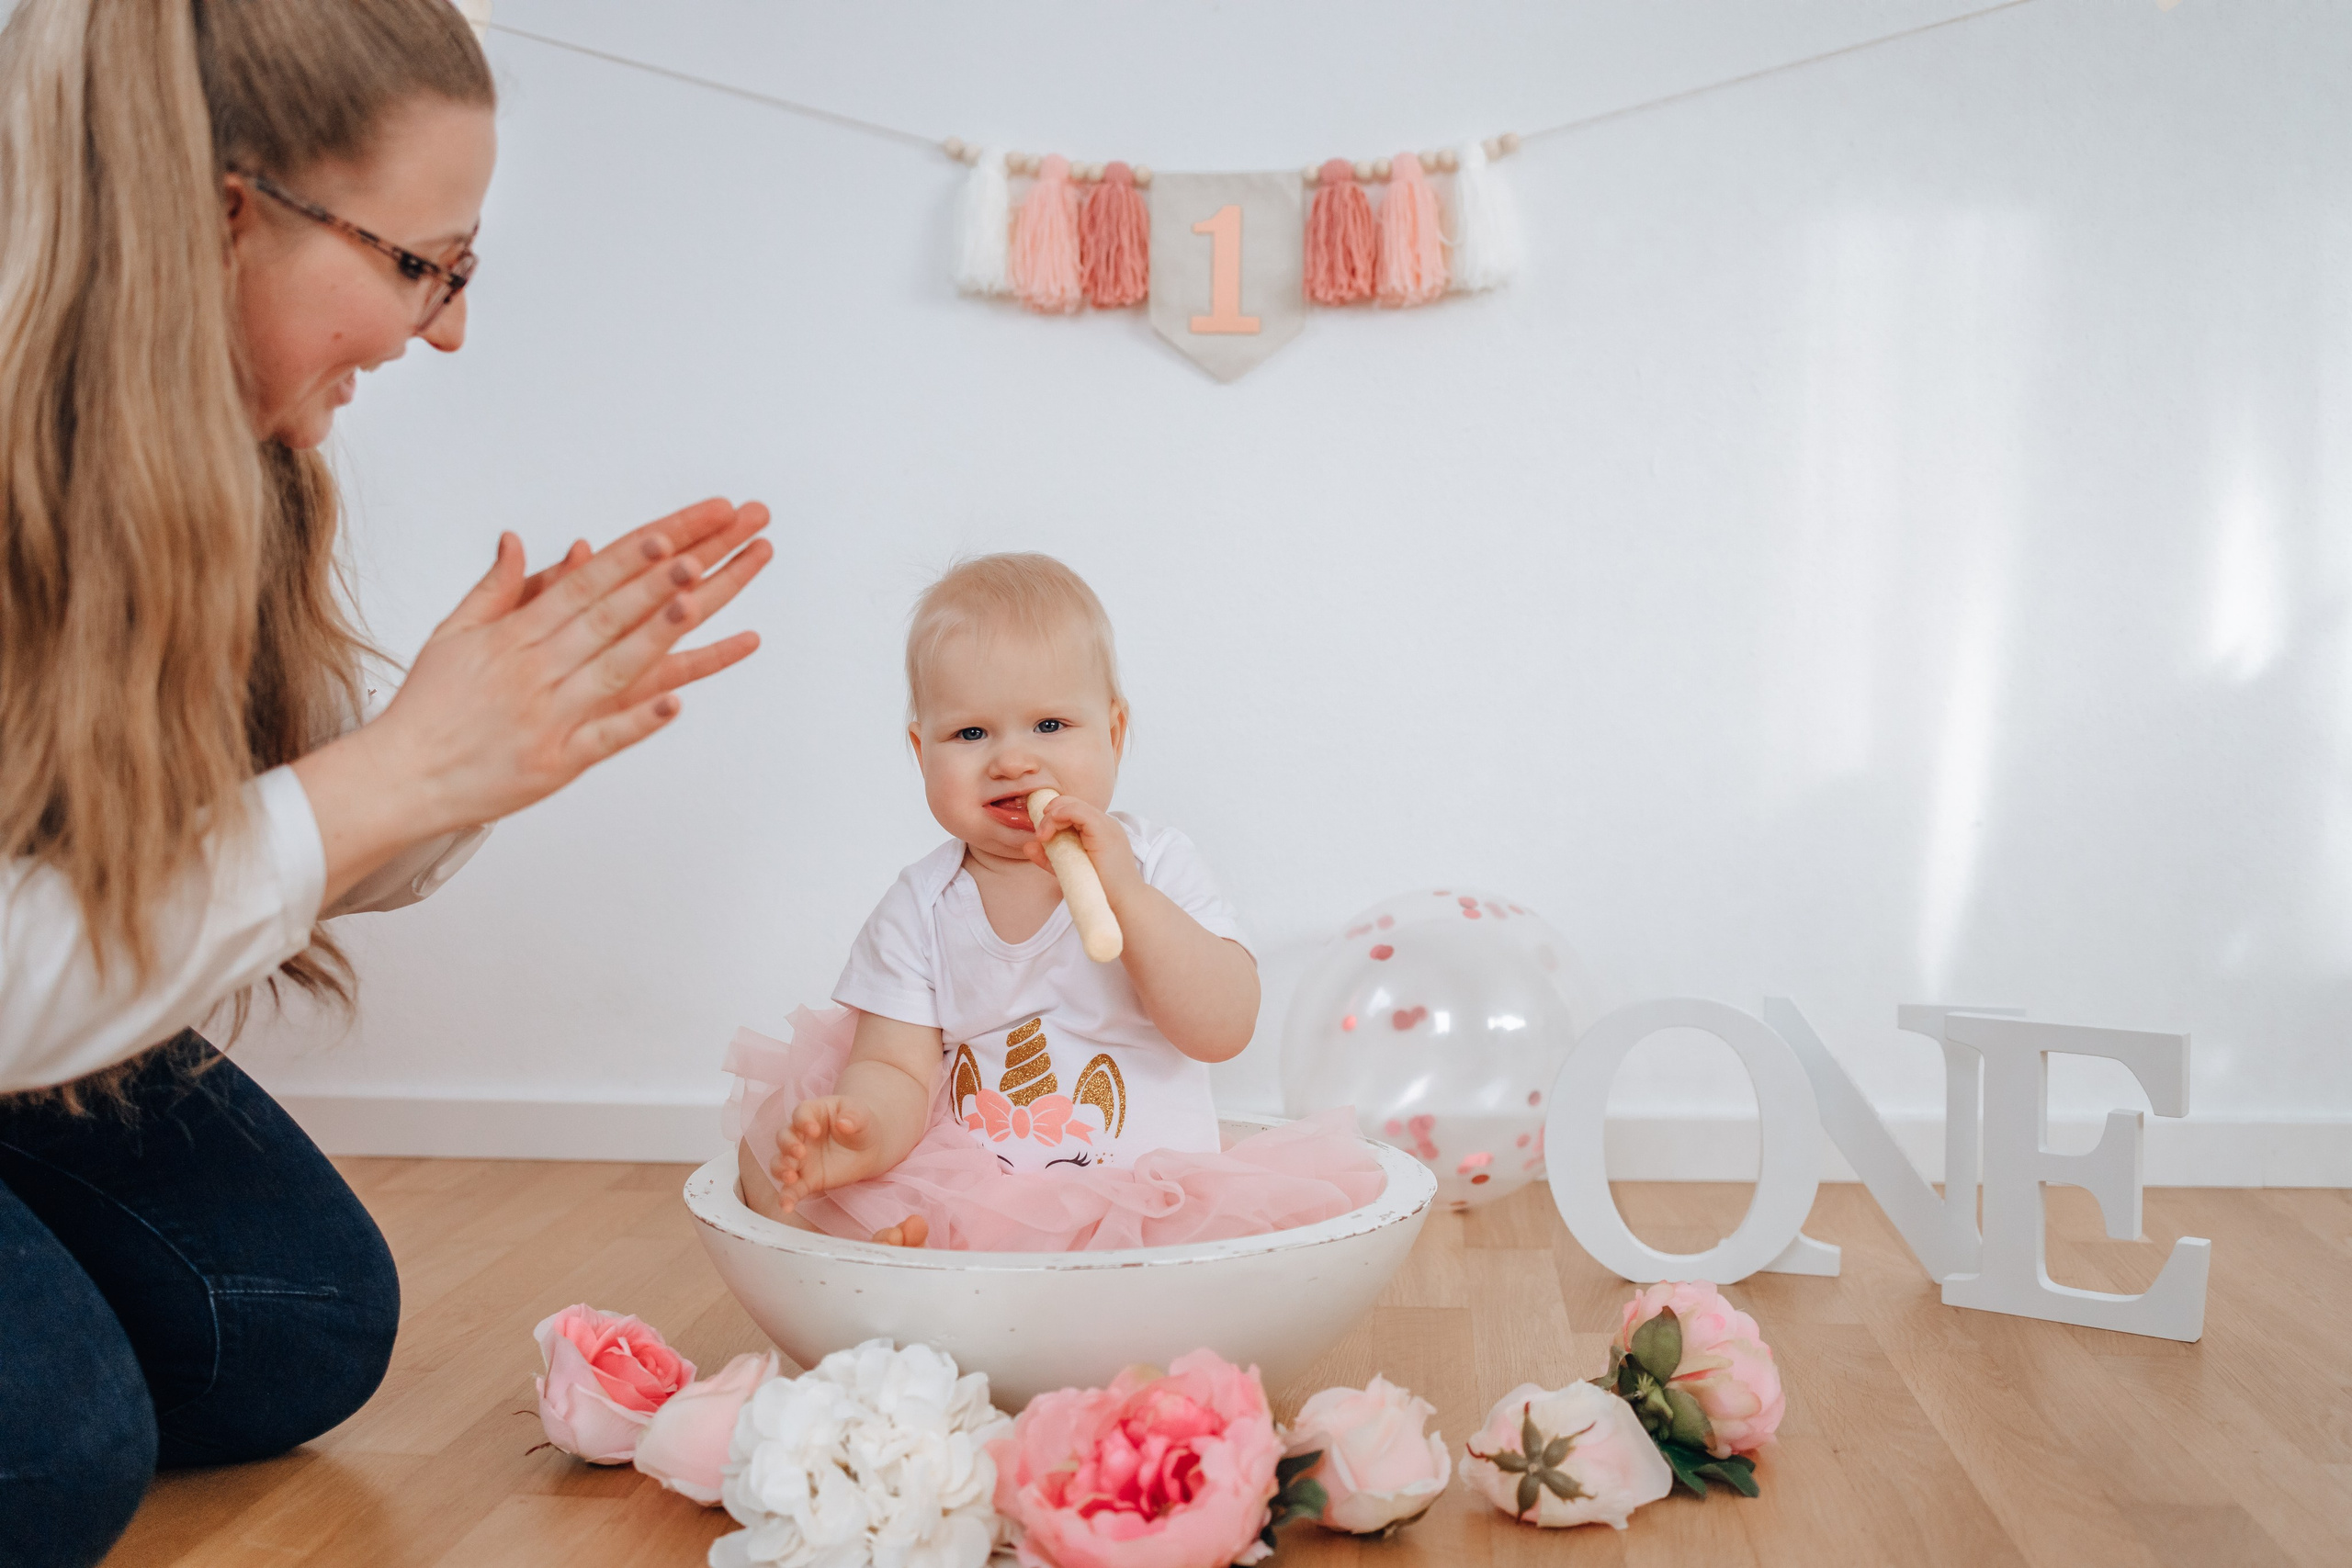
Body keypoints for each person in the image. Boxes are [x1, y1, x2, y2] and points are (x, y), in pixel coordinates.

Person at [0, 4, 771, 1564]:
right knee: (55, 1455)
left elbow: (222, 830)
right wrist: (400, 769)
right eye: (424, 265)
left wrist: (479, 749)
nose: (449, 328)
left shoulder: (212, 466)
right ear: (226, 214)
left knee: (293, 1319)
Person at [728, 554, 1381, 1251]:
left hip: (1146, 1205)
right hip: (978, 1198)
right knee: (766, 1155)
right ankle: (897, 1265)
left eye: (1049, 725)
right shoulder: (919, 907)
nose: (1012, 759)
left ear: (1115, 732)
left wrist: (1125, 891)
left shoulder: (1157, 863)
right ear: (922, 753)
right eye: (971, 733)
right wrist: (865, 1131)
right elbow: (894, 1067)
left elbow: (1222, 1026)